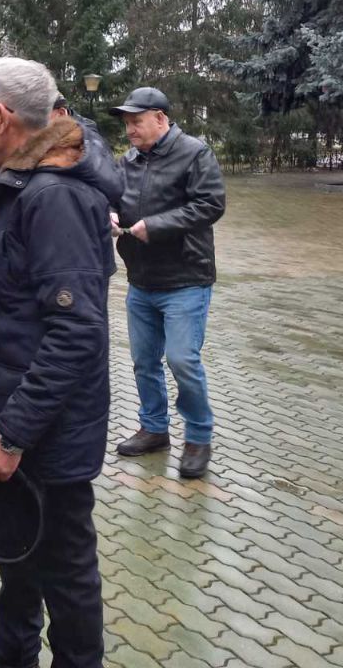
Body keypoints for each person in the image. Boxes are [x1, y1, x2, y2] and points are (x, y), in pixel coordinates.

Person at [0, 57, 120, 668]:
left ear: (3, 117)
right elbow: (18, 293)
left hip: (47, 429)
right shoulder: (19, 183)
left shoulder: (54, 197)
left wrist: (11, 435)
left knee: (66, 572)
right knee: (19, 545)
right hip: (18, 409)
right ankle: (12, 656)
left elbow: (76, 333)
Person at [110, 87, 226, 480]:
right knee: (144, 361)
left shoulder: (195, 153)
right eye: (126, 123)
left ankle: (198, 437)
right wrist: (108, 213)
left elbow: (211, 204)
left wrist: (155, 227)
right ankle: (154, 429)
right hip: (141, 280)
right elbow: (113, 196)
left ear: (160, 118)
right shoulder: (128, 160)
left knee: (181, 360)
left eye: (136, 122)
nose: (129, 130)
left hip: (185, 279)